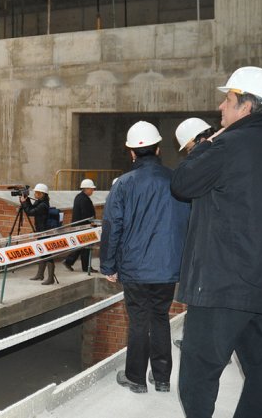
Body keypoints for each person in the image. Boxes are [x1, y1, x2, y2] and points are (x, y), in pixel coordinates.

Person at [171, 66, 262, 418]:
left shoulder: (226, 146)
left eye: (228, 99)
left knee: (199, 374)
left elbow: (182, 184)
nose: (221, 106)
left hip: (221, 285)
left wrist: (211, 142)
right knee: (260, 369)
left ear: (247, 106)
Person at [100, 121, 190, 394]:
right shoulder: (176, 180)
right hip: (167, 267)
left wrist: (108, 265)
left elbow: (112, 227)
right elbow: (186, 223)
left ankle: (136, 378)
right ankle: (162, 378)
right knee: (160, 317)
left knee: (139, 320)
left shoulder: (124, 184)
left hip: (136, 268)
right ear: (159, 149)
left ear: (132, 153)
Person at [21, 183, 59, 285]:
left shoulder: (43, 205)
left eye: (37, 193)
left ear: (42, 194)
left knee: (47, 253)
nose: (35, 194)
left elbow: (30, 212)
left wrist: (23, 203)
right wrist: (26, 199)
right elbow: (30, 208)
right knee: (42, 252)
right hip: (40, 230)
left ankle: (51, 278)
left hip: (44, 231)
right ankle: (40, 274)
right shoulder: (39, 202)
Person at [63, 178, 98, 273]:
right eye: (91, 189)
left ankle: (69, 262)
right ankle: (86, 267)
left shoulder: (80, 197)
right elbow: (86, 214)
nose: (92, 191)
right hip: (84, 227)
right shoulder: (84, 199)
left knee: (80, 247)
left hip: (80, 226)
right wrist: (91, 223)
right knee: (85, 248)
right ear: (86, 189)